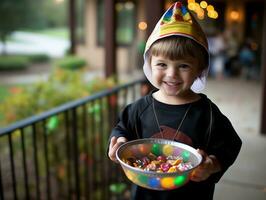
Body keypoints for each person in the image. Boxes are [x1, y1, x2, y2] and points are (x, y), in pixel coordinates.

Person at [108, 2, 242, 200]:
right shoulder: (139, 109)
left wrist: (211, 165)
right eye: (162, 64)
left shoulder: (208, 113)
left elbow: (230, 144)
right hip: (146, 194)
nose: (171, 74)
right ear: (149, 65)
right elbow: (122, 129)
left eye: (184, 66)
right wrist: (119, 142)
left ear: (199, 69)